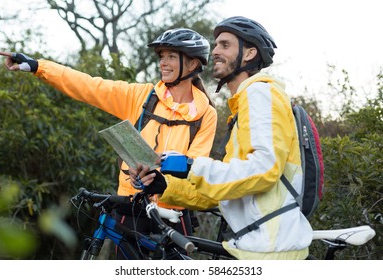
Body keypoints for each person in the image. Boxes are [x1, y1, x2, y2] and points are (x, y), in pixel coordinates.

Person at [0, 28, 217, 258]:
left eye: (171, 56)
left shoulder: (205, 114)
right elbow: (89, 86)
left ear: (193, 64)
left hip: (173, 217)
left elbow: (195, 168)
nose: (163, 62)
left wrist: (162, 183)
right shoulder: (141, 96)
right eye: (161, 56)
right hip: (130, 209)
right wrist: (38, 66)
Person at [130, 16, 313, 260]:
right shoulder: (244, 106)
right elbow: (228, 187)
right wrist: (166, 186)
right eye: (215, 45)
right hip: (255, 246)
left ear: (249, 54)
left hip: (271, 251)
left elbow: (265, 169)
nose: (215, 51)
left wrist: (192, 166)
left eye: (225, 45)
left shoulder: (259, 93)